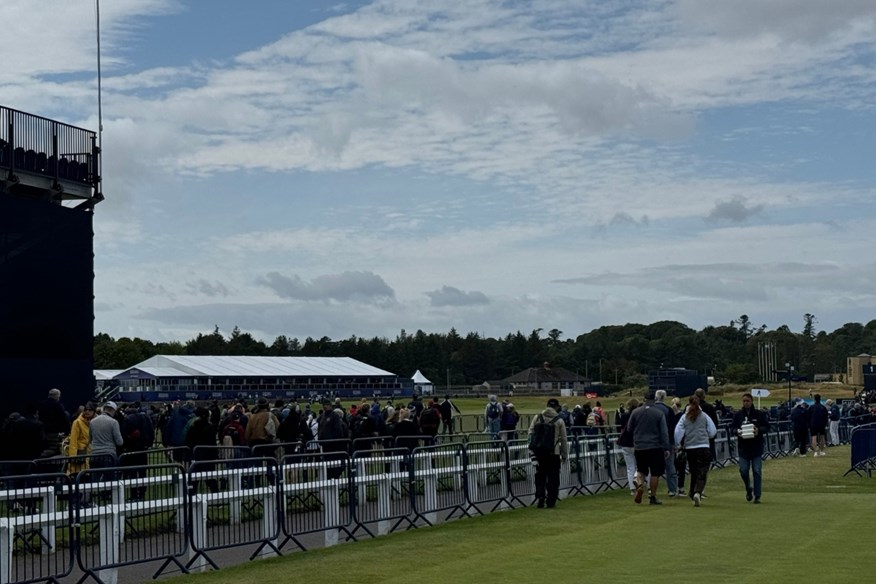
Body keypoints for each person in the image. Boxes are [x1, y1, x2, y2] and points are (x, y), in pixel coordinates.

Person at [627, 390, 670, 505]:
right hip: (655, 446)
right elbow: (664, 432)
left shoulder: (635, 412)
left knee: (641, 470)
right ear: (654, 399)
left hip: (640, 446)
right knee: (655, 473)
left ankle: (640, 485)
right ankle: (653, 496)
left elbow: (629, 428)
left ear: (644, 399)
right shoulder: (658, 413)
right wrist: (666, 447)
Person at [674, 396, 717, 507]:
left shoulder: (684, 417)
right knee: (702, 471)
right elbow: (712, 432)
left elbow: (678, 432)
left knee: (693, 471)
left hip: (690, 447)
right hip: (703, 445)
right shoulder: (704, 416)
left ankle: (692, 492)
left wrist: (678, 445)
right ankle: (698, 492)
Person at [528, 398, 568, 508]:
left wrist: (531, 449)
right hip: (553, 453)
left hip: (539, 452)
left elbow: (530, 433)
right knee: (553, 478)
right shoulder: (559, 420)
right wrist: (564, 454)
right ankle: (551, 501)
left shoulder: (537, 417)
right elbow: (563, 439)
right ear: (556, 407)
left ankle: (540, 497)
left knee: (540, 476)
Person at [732, 393, 770, 504]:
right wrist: (736, 431)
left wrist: (758, 430)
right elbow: (732, 428)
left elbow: (767, 426)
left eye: (747, 401)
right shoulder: (738, 415)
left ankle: (757, 495)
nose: (746, 403)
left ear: (752, 401)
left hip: (756, 447)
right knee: (743, 470)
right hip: (743, 448)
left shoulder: (759, 414)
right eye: (744, 401)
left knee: (757, 471)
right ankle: (748, 487)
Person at [653, 390, 679, 497]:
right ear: (664, 397)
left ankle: (652, 489)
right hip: (667, 441)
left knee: (653, 467)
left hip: (653, 441)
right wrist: (674, 443)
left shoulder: (651, 409)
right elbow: (673, 428)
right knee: (670, 466)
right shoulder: (668, 410)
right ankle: (672, 489)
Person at [616, 398, 640, 495]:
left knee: (630, 467)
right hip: (636, 442)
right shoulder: (638, 415)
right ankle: (636, 478)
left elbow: (621, 428)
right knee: (639, 465)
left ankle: (632, 489)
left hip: (625, 442)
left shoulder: (625, 415)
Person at [38, 388, 70, 457]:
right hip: (55, 433)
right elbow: (63, 418)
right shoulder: (58, 405)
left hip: (43, 431)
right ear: (57, 396)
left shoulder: (41, 404)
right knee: (54, 450)